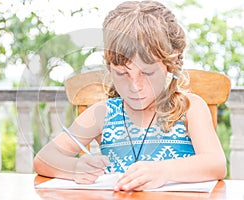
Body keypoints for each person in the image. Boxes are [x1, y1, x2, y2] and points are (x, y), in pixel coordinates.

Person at [34, 0, 226, 191]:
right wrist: (74, 168)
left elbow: (216, 163)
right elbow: (44, 159)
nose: (135, 86)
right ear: (109, 66)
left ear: (171, 63)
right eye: (122, 73)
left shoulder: (189, 108)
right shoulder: (103, 113)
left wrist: (164, 171)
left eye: (148, 73)